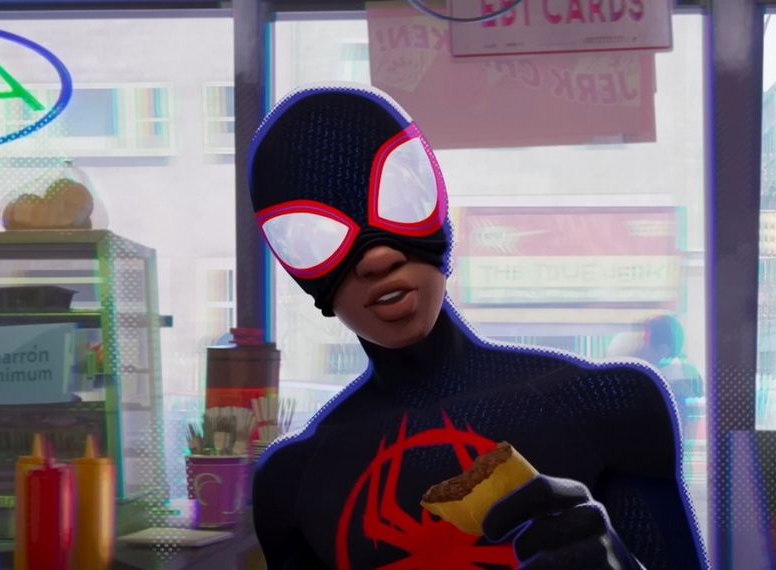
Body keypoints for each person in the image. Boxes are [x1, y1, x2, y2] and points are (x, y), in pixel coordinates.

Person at [248, 84, 706, 570]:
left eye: (399, 200)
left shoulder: (608, 407)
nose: (377, 257)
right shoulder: (291, 484)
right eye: (315, 238)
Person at [635, 315, 704, 441]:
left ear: (662, 350)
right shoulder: (685, 378)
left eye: (645, 341)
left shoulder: (664, 389)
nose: (640, 348)